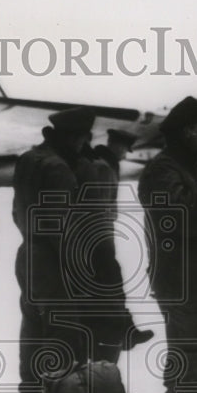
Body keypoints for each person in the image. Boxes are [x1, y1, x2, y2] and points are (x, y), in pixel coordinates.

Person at [137, 96, 197, 393]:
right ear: (187, 131)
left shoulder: (181, 165)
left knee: (192, 348)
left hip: (190, 274)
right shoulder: (162, 171)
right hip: (177, 277)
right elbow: (179, 217)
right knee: (189, 350)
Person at [12, 108, 92, 393]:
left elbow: (18, 212)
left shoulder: (28, 160)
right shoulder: (59, 169)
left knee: (32, 335)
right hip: (53, 262)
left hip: (28, 256)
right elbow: (62, 228)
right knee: (63, 340)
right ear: (77, 136)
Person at [73, 129, 153, 363]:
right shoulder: (103, 166)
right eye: (122, 150)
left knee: (109, 289)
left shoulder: (105, 163)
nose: (123, 155)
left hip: (99, 234)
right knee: (110, 286)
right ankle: (124, 333)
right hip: (97, 236)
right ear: (115, 145)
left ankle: (126, 330)